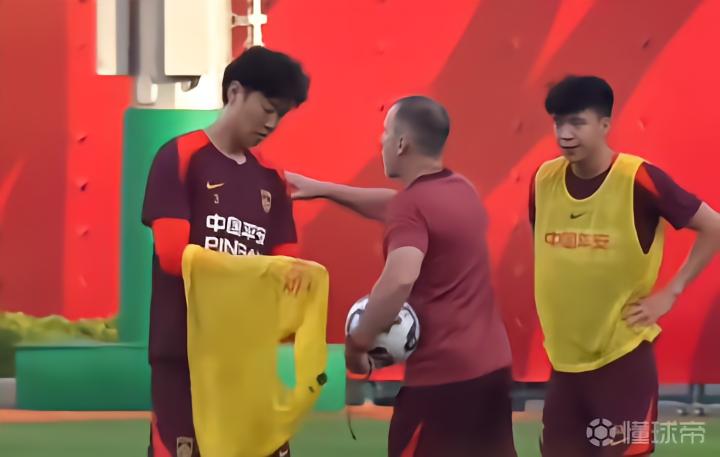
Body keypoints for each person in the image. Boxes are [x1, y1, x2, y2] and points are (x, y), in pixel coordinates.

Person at [287, 96, 517, 457]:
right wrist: (325, 189)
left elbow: (400, 279)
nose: (380, 140)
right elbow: (396, 206)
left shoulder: (413, 207)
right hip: (492, 374)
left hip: (443, 382)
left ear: (401, 143)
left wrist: (358, 344)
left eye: (386, 131)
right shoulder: (460, 189)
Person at [531, 75, 720, 456]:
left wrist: (672, 292)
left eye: (577, 123)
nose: (565, 134)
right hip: (564, 366)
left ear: (605, 124)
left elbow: (713, 226)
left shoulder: (639, 178)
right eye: (558, 123)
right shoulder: (543, 179)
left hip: (622, 362)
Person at [141, 46, 309, 457]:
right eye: (266, 108)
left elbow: (287, 268)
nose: (272, 123)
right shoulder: (180, 156)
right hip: (183, 358)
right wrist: (254, 274)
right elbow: (172, 255)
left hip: (248, 359)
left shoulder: (271, 178)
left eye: (281, 114)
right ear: (235, 92)